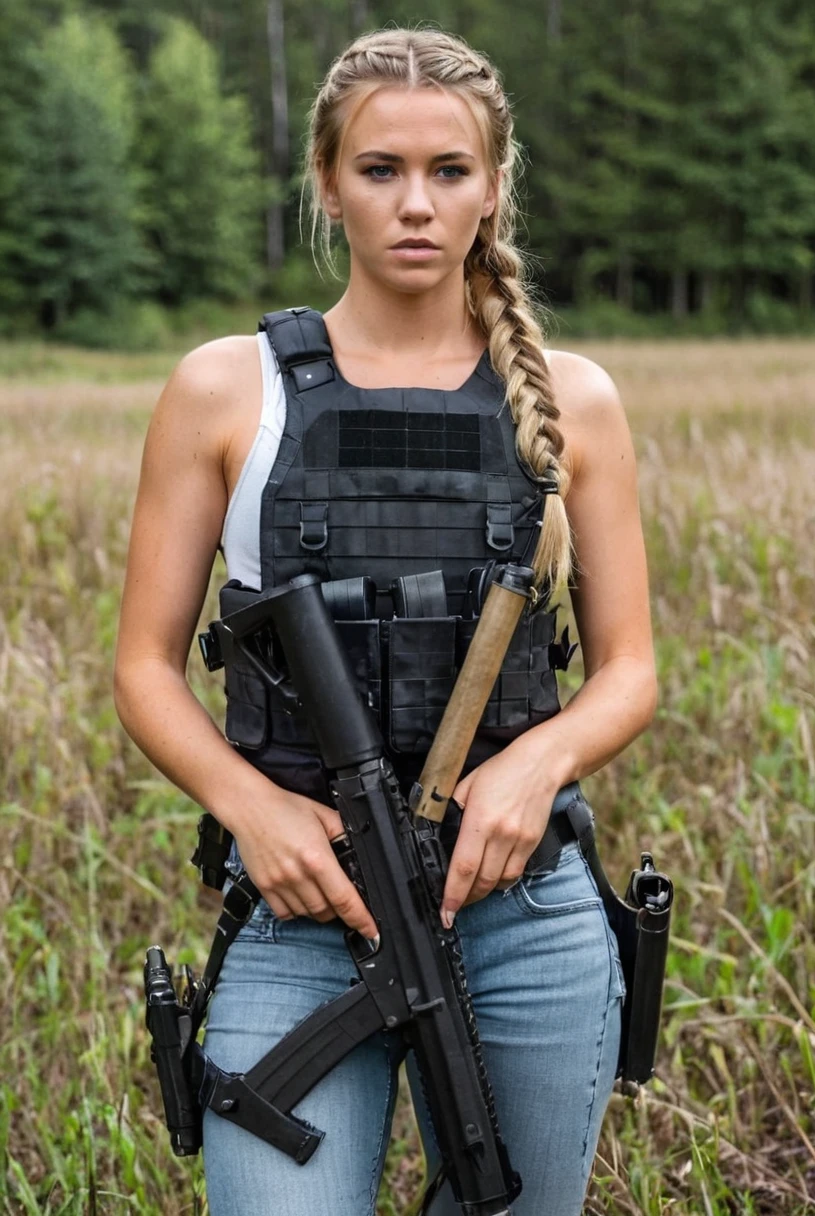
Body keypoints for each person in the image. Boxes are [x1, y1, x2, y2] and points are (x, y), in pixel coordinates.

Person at [114, 26, 657, 1216]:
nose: (416, 203)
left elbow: (628, 672)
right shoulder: (226, 387)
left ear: (493, 186)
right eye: (379, 169)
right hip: (306, 908)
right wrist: (251, 807)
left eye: (449, 170)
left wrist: (537, 766)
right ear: (325, 182)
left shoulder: (575, 400)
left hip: (525, 913)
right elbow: (144, 669)